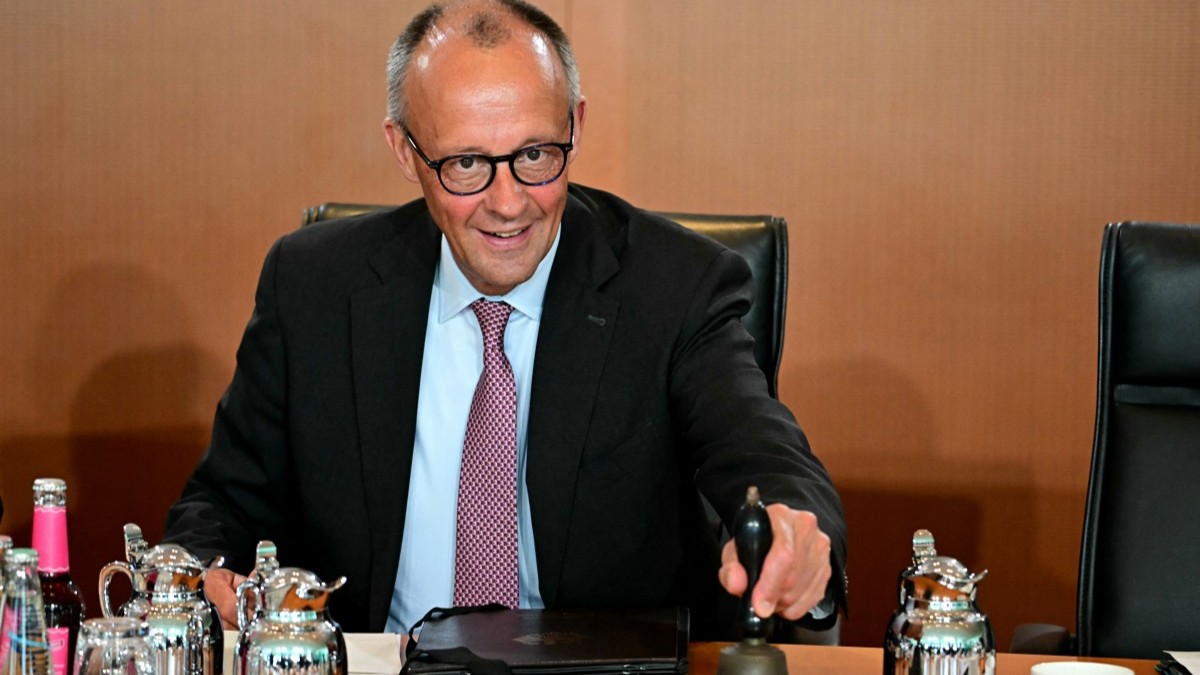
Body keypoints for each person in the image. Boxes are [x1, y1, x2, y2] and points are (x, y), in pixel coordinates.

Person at [165, 0, 846, 640]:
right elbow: (222, 505)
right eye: (466, 163)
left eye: (535, 155)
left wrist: (796, 538)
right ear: (404, 151)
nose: (509, 202)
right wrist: (202, 574)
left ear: (575, 125)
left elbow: (763, 457)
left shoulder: (676, 288)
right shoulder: (313, 285)